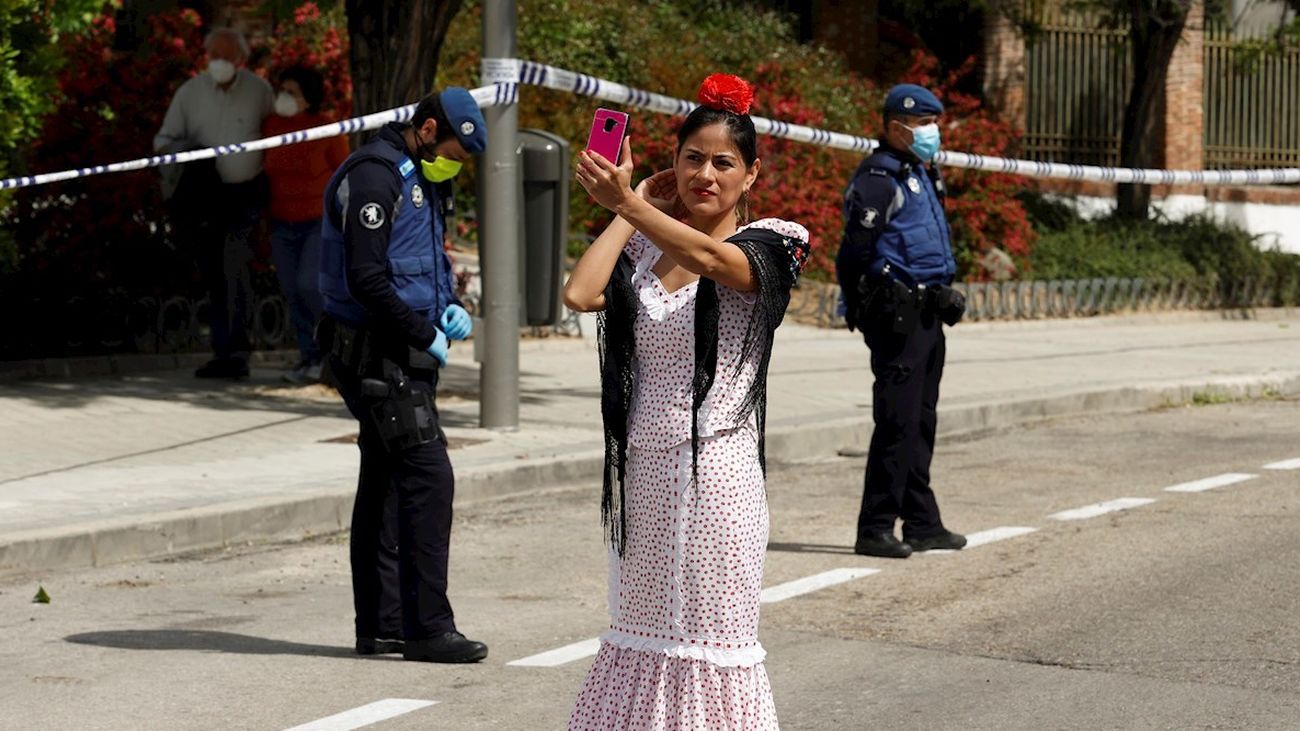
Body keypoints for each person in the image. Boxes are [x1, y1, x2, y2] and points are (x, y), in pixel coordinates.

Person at [564, 73, 810, 730]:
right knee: (639, 636)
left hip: (718, 483)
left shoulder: (774, 242)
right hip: (644, 476)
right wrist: (633, 202)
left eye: (723, 161)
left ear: (751, 173)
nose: (706, 172)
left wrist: (631, 205)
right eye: (692, 157)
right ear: (672, 167)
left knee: (710, 649)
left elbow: (713, 259)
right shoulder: (644, 242)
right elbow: (581, 293)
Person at [316, 88, 486, 663]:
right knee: (428, 477)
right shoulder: (374, 175)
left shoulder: (419, 171)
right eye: (453, 152)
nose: (454, 166)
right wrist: (423, 334)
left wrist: (444, 307)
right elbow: (365, 276)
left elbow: (417, 257)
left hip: (398, 347)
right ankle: (427, 629)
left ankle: (383, 626)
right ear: (428, 127)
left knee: (387, 481)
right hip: (375, 350)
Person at [835, 83, 968, 559]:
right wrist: (857, 304)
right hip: (897, 315)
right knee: (896, 422)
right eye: (924, 124)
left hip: (930, 311)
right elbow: (855, 252)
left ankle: (921, 522)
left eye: (935, 123)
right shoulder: (878, 177)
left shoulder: (923, 172)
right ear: (896, 128)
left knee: (921, 421)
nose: (933, 132)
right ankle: (874, 527)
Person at [154, 27, 274, 379]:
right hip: (204, 196)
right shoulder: (190, 94)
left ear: (241, 60)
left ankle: (236, 352)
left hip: (245, 194)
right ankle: (225, 352)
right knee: (213, 274)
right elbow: (164, 140)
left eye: (227, 57)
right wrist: (187, 154)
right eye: (214, 56)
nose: (220, 63)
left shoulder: (258, 91)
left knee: (235, 267)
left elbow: (279, 134)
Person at [262, 66, 350, 384]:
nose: (284, 97)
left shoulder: (326, 128)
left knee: (309, 286)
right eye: (282, 90)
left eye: (292, 92)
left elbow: (344, 174)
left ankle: (334, 351)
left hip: (318, 222)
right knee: (291, 292)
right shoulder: (272, 126)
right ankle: (308, 357)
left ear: (309, 98)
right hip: (282, 223)